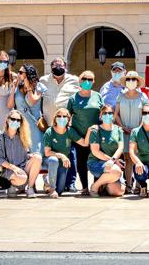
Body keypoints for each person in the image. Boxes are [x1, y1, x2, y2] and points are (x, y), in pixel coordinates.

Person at [39, 57, 79, 192]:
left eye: (60, 64)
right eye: (55, 65)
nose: (58, 67)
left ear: (65, 66)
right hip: (49, 124)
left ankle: (71, 182)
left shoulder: (74, 80)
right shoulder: (43, 81)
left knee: (71, 153)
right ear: (51, 67)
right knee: (49, 153)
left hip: (67, 125)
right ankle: (50, 181)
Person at [66, 70, 104, 195]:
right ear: (80, 81)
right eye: (84, 79)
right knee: (81, 162)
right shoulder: (73, 99)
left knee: (96, 160)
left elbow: (103, 114)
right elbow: (66, 119)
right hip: (79, 137)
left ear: (93, 82)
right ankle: (84, 187)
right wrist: (76, 137)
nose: (87, 82)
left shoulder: (98, 96)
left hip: (95, 136)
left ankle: (96, 186)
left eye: (90, 79)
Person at [43, 108, 92, 198]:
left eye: (64, 116)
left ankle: (51, 185)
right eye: (59, 116)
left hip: (63, 164)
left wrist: (89, 131)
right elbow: (47, 152)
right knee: (54, 160)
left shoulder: (70, 131)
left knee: (60, 190)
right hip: (49, 161)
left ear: (68, 119)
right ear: (55, 118)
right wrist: (61, 156)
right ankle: (51, 188)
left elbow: (85, 143)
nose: (62, 118)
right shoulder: (49, 132)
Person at [0, 110, 42, 198]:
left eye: (18, 120)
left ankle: (30, 188)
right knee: (22, 178)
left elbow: (25, 153)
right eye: (13, 119)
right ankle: (10, 184)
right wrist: (13, 167)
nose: (15, 122)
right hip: (9, 170)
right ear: (8, 120)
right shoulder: (0, 137)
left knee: (38, 157)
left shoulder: (23, 136)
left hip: (23, 168)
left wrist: (30, 155)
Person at [115, 70, 149, 194]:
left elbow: (146, 114)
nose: (130, 82)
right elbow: (116, 114)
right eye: (128, 79)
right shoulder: (120, 96)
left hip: (139, 132)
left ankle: (139, 185)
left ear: (137, 82)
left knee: (138, 157)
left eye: (133, 79)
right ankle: (129, 185)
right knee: (128, 158)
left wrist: (138, 128)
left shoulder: (143, 97)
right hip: (124, 131)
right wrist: (122, 126)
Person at [88, 105, 125, 197]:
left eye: (110, 113)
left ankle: (104, 183)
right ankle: (94, 186)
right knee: (117, 171)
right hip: (96, 163)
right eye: (105, 113)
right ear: (100, 115)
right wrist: (113, 161)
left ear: (113, 116)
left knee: (118, 192)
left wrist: (112, 161)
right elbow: (95, 151)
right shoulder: (96, 130)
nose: (107, 115)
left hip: (111, 164)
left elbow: (121, 147)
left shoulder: (118, 129)